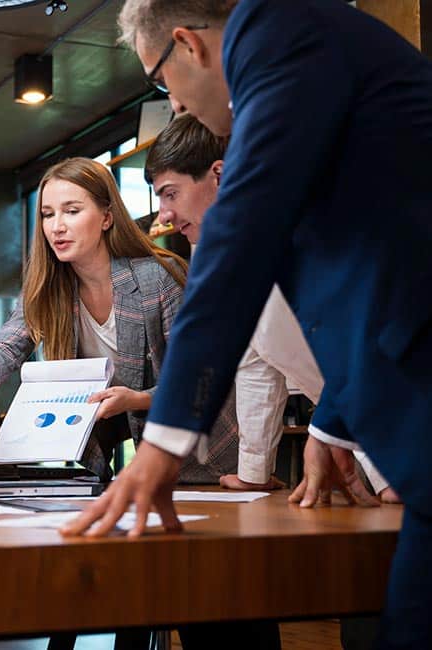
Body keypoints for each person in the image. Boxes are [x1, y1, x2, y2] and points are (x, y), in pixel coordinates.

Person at [64, 2, 432, 648]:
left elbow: (239, 244)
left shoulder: (276, 33)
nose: (174, 105)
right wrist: (332, 427)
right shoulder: (300, 58)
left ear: (187, 45)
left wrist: (161, 446)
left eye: (160, 81)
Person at [145, 113, 398, 502]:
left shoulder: (300, 223)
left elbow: (359, 342)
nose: (163, 215)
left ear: (218, 175)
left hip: (402, 408)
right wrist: (253, 472)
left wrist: (324, 430)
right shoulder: (218, 252)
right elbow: (254, 360)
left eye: (170, 193)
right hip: (361, 425)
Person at [0, 157, 238, 485]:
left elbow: (201, 378)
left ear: (106, 217)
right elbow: (8, 344)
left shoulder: (156, 279)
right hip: (134, 471)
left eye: (72, 211)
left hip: (208, 459)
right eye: (47, 214)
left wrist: (138, 398)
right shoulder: (48, 288)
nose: (57, 226)